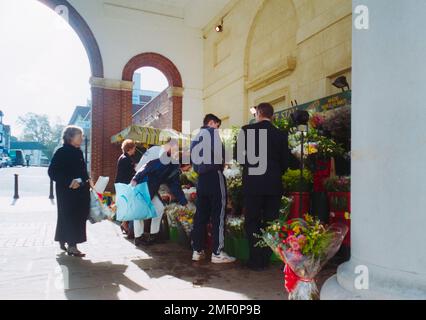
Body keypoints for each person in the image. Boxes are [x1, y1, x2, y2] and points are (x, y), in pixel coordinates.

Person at [236, 103, 289, 271]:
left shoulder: (246, 130)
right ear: (272, 116)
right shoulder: (280, 134)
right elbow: (285, 162)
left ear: (258, 114)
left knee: (252, 221)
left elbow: (239, 157)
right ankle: (265, 258)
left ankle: (255, 260)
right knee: (271, 222)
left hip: (253, 185)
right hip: (273, 185)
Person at [190, 114, 236, 264]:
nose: (218, 128)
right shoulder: (212, 133)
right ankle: (217, 252)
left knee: (200, 216)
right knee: (218, 215)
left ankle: (197, 251)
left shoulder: (195, 137)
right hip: (214, 177)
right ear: (211, 122)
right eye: (217, 125)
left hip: (201, 180)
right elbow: (220, 157)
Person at [131, 140, 188, 246]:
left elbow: (174, 184)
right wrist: (135, 179)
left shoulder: (173, 165)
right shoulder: (162, 160)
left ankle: (153, 235)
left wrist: (183, 200)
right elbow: (147, 167)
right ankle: (138, 237)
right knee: (140, 212)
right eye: (172, 148)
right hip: (143, 186)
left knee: (159, 208)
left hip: (152, 188)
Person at [48, 125, 92, 257]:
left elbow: (82, 171)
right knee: (70, 217)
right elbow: (52, 172)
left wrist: (86, 180)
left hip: (80, 191)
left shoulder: (78, 152)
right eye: (80, 135)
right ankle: (72, 246)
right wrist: (68, 182)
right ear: (71, 137)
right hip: (67, 193)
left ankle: (63, 239)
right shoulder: (61, 152)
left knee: (72, 217)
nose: (82, 137)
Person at [115, 139, 137, 238]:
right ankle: (125, 224)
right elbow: (129, 173)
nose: (135, 150)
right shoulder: (126, 159)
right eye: (134, 148)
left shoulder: (123, 157)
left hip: (122, 184)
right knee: (128, 205)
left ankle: (124, 224)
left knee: (126, 204)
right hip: (125, 184)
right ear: (130, 148)